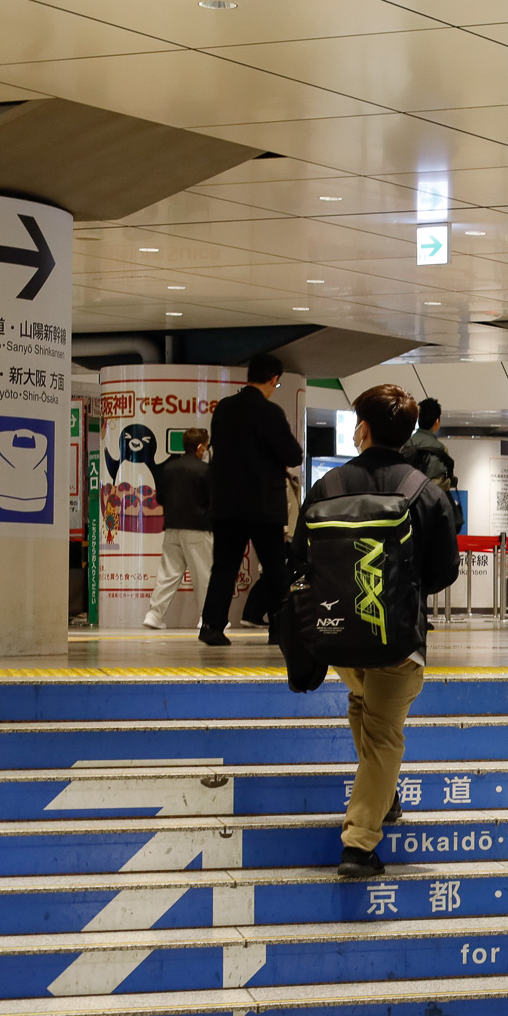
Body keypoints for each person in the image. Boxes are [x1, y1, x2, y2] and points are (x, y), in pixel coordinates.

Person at [299, 385, 461, 879]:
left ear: (362, 430)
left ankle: (384, 798)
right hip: (396, 639)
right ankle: (359, 843)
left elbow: (298, 560)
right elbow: (444, 571)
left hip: (336, 636)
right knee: (385, 732)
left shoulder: (326, 487)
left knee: (361, 705)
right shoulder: (424, 491)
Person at [200, 354, 303, 646]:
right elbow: (292, 454)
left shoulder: (224, 408)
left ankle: (211, 626)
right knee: (274, 568)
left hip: (226, 503)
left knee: (224, 566)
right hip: (262, 504)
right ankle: (279, 629)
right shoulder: (270, 412)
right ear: (273, 379)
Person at [142, 428, 212, 630]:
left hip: (172, 527)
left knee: (168, 573)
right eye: (206, 445)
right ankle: (207, 618)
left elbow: (160, 498)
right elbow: (211, 500)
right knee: (203, 575)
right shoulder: (204, 470)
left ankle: (154, 615)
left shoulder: (169, 469)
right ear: (200, 447)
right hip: (198, 528)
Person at [401, 397, 461, 532]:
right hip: (433, 512)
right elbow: (438, 483)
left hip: (408, 510)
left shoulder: (407, 444)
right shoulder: (440, 449)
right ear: (437, 422)